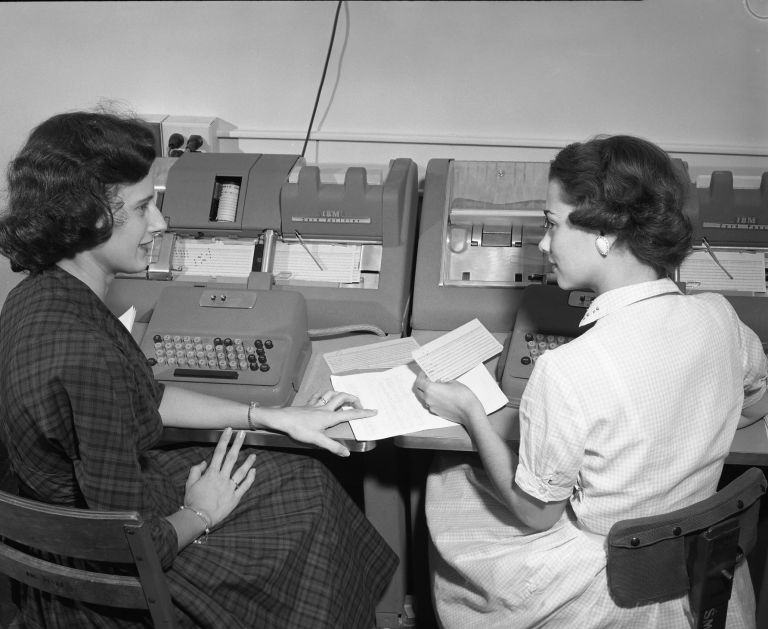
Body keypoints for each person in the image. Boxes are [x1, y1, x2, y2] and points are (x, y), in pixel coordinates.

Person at [0, 110, 398, 629]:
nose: (161, 224)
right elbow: (131, 541)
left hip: (107, 509)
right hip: (118, 575)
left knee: (310, 481)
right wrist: (202, 512)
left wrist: (272, 418)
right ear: (90, 216)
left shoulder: (40, 294)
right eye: (144, 209)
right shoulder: (81, 357)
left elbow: (147, 397)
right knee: (310, 520)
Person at [414, 135, 768, 628]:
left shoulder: (566, 371)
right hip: (695, 566)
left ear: (604, 233)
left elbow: (535, 515)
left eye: (550, 225)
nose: (542, 244)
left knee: (444, 478)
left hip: (605, 585)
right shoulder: (720, 317)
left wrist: (472, 413)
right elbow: (755, 403)